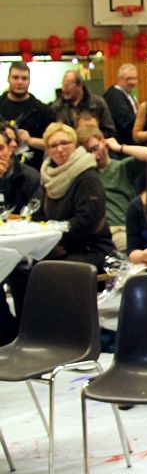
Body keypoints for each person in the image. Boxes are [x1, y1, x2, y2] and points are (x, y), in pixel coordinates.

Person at [39, 122, 114, 270]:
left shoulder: (87, 176)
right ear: (47, 150)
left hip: (90, 247)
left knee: (52, 271)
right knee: (21, 267)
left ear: (75, 145)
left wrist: (54, 235)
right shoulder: (47, 178)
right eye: (53, 145)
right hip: (57, 246)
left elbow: (87, 220)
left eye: (64, 143)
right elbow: (38, 214)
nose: (60, 149)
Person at [76, 125, 147, 252]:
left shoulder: (123, 167)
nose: (94, 155)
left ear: (104, 142)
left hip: (125, 228)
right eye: (88, 152)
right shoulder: (83, 176)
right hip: (102, 233)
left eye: (95, 148)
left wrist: (119, 147)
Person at [0, 129, 41, 346]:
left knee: (20, 271)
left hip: (24, 248)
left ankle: (27, 335)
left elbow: (36, 216)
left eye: (0, 148)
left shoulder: (28, 176)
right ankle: (6, 332)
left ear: (11, 148)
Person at [0, 61, 56, 170]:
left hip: (33, 173)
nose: (20, 82)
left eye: (24, 78)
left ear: (29, 81)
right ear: (8, 79)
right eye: (15, 78)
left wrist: (31, 141)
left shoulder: (43, 111)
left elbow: (54, 143)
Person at [51, 70, 116, 138]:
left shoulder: (97, 104)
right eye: (63, 85)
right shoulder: (57, 107)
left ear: (80, 85)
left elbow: (109, 131)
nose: (63, 89)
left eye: (67, 86)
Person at [103, 64, 139, 146]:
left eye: (135, 79)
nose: (132, 82)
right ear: (119, 79)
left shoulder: (130, 96)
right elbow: (126, 122)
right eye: (129, 79)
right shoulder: (114, 95)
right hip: (120, 145)